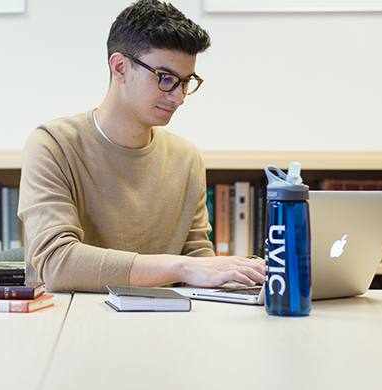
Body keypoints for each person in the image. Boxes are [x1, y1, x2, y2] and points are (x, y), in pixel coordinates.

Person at [18, 0, 265, 293]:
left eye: (186, 81)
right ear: (120, 67)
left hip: (163, 324)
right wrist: (181, 267)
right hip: (71, 324)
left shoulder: (185, 158)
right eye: (166, 79)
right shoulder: (52, 145)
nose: (179, 97)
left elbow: (197, 264)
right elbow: (58, 264)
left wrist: (249, 275)